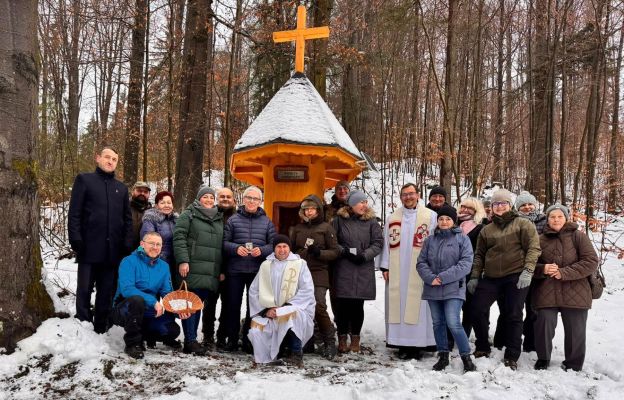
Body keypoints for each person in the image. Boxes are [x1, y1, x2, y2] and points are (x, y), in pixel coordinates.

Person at [467, 189, 541, 370]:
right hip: (491, 278)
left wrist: (528, 271)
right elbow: (479, 255)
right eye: (496, 204)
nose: (500, 207)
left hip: (515, 276)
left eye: (503, 203)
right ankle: (482, 346)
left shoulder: (522, 224)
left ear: (510, 205)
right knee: (475, 308)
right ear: (491, 207)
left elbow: (533, 248)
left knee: (513, 314)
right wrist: (475, 276)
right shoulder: (487, 230)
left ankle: (512, 355)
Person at [68, 146, 132, 333]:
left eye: (114, 159)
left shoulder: (121, 188)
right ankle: (83, 323)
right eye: (107, 157)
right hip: (88, 246)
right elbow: (74, 213)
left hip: (113, 250)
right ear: (98, 158)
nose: (110, 161)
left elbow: (127, 219)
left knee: (106, 290)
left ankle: (101, 326)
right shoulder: (84, 180)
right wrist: (75, 238)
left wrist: (126, 242)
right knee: (85, 288)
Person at [532, 204, 598, 372]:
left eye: (560, 216)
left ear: (566, 218)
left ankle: (574, 363)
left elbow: (590, 261)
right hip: (547, 290)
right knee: (544, 322)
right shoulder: (540, 239)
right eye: (552, 217)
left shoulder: (579, 236)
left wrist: (565, 272)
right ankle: (543, 358)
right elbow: (529, 264)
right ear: (547, 219)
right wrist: (543, 269)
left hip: (576, 289)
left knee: (576, 329)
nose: (556, 219)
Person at [379, 183, 437, 359]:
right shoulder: (392, 218)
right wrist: (385, 265)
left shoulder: (431, 216)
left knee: (419, 305)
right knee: (398, 303)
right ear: (401, 197)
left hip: (421, 269)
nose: (408, 197)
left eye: (411, 193)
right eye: (405, 194)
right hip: (397, 271)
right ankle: (401, 343)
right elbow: (386, 244)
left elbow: (435, 242)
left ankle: (419, 344)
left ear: (418, 195)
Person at [111, 232, 190, 359]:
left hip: (148, 313)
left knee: (172, 330)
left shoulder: (164, 266)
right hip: (125, 309)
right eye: (151, 243)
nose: (155, 247)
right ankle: (132, 343)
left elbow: (167, 293)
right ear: (142, 244)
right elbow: (127, 289)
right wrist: (153, 302)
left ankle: (143, 335)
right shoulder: (128, 261)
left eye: (158, 244)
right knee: (137, 300)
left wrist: (178, 309)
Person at [416, 205, 476, 372]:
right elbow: (421, 263)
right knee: (438, 323)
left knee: (453, 323)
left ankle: (466, 357)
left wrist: (442, 278)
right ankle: (443, 355)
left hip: (453, 288)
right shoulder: (430, 240)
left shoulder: (462, 239)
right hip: (432, 288)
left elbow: (465, 264)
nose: (444, 221)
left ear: (453, 221)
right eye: (441, 218)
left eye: (448, 219)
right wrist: (430, 278)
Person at [247, 235, 316, 367]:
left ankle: (296, 354)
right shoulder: (266, 265)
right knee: (256, 327)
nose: (282, 249)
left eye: (285, 246)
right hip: (270, 310)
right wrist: (265, 311)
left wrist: (286, 307)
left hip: (295, 307)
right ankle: (271, 356)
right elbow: (254, 291)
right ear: (274, 249)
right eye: (279, 246)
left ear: (289, 248)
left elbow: (307, 289)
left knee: (289, 315)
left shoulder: (300, 264)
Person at [222, 186, 276, 352]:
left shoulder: (267, 222)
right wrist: (235, 248)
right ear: (243, 200)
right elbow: (223, 243)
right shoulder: (233, 220)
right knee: (232, 305)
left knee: (254, 307)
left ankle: (249, 339)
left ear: (260, 202)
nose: (252, 201)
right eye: (249, 198)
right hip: (235, 270)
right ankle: (231, 339)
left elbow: (274, 244)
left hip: (257, 271)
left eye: (255, 199)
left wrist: (263, 250)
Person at [173, 185, 223, 355]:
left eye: (211, 197)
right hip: (191, 266)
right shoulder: (189, 214)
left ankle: (192, 339)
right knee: (189, 302)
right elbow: (179, 237)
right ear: (198, 198)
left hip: (209, 269)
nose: (209, 200)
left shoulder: (218, 217)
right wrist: (183, 260)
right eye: (205, 197)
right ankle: (190, 340)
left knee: (198, 304)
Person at [332, 190, 384, 353]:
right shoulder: (339, 220)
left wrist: (364, 255)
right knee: (342, 305)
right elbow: (332, 240)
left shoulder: (372, 222)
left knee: (357, 305)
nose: (364, 205)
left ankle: (355, 338)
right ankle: (341, 338)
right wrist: (345, 252)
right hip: (343, 267)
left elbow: (378, 243)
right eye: (361, 202)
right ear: (352, 204)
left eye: (365, 202)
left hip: (362, 267)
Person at [290, 194, 341, 359]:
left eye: (312, 208)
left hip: (319, 272)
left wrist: (320, 253)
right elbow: (290, 250)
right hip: (300, 272)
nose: (309, 211)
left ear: (318, 210)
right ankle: (307, 341)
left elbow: (335, 252)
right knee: (301, 307)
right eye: (306, 209)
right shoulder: (297, 229)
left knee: (319, 306)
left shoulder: (327, 228)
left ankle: (329, 341)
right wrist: (301, 253)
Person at [511, 190, 547, 352]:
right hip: (516, 270)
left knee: (534, 309)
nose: (527, 207)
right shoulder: (513, 222)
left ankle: (530, 342)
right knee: (513, 308)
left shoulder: (544, 221)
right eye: (523, 205)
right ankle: (509, 339)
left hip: (539, 271)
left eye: (529, 204)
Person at [204, 187, 237, 349]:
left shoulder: (238, 217)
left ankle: (222, 335)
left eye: (228, 197)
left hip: (231, 268)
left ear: (233, 200)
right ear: (218, 199)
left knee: (228, 304)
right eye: (222, 196)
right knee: (209, 303)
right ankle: (208, 335)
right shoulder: (211, 215)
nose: (225, 199)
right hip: (211, 266)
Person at [457, 197, 486, 337]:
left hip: (471, 271)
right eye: (463, 206)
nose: (465, 210)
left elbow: (481, 252)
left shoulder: (480, 227)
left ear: (476, 211)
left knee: (469, 306)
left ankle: (465, 334)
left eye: (469, 208)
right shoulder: (454, 224)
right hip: (454, 271)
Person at [140, 191, 177, 276]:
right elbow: (148, 242)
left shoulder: (176, 221)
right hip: (157, 262)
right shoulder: (150, 220)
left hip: (174, 262)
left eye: (169, 202)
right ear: (156, 205)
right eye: (162, 203)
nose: (166, 205)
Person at [130, 181, 152, 248]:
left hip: (145, 251)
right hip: (125, 250)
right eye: (139, 191)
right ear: (133, 192)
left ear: (149, 194)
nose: (142, 193)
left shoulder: (152, 212)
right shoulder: (124, 208)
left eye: (145, 192)